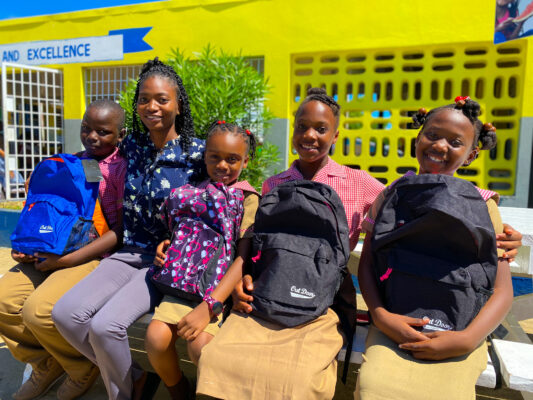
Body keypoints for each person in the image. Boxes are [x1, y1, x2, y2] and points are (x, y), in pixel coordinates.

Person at [196, 88, 384, 399]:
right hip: (271, 288)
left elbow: (400, 206)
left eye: (321, 129)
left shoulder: (358, 182)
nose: (309, 135)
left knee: (297, 379)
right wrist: (244, 280)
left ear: (335, 135)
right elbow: (261, 247)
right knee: (221, 359)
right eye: (302, 126)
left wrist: (490, 225)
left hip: (326, 299)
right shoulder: (275, 184)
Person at [52, 58, 205, 400]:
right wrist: (53, 177)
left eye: (162, 99)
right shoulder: (131, 147)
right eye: (144, 99)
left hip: (164, 262)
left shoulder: (198, 154)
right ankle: (132, 376)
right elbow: (94, 157)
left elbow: (219, 200)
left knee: (106, 327)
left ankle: (122, 394)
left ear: (179, 104)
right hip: (127, 251)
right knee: (65, 314)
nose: (152, 106)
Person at [354, 97, 514, 400]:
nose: (440, 146)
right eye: (432, 135)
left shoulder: (482, 206)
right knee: (374, 386)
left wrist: (466, 340)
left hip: (458, 331)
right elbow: (367, 264)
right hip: (394, 324)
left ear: (471, 154)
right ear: (417, 138)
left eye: (455, 142)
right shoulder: (392, 195)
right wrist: (382, 316)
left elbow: (503, 290)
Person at [0, 99, 127, 400]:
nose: (92, 137)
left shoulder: (123, 170)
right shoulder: (71, 162)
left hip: (92, 254)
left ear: (120, 135)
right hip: (51, 248)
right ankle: (45, 363)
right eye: (86, 128)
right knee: (4, 300)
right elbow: (46, 215)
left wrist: (65, 260)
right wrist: (27, 246)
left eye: (103, 132)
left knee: (38, 311)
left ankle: (81, 367)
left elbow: (120, 232)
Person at [145, 120, 260, 400]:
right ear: (204, 156)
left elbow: (243, 257)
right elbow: (180, 231)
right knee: (155, 338)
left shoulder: (247, 199)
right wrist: (167, 244)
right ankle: (178, 390)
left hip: (217, 292)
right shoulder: (191, 193)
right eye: (214, 157)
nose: (222, 165)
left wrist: (210, 306)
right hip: (181, 284)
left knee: (202, 349)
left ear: (245, 161)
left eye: (232, 159)